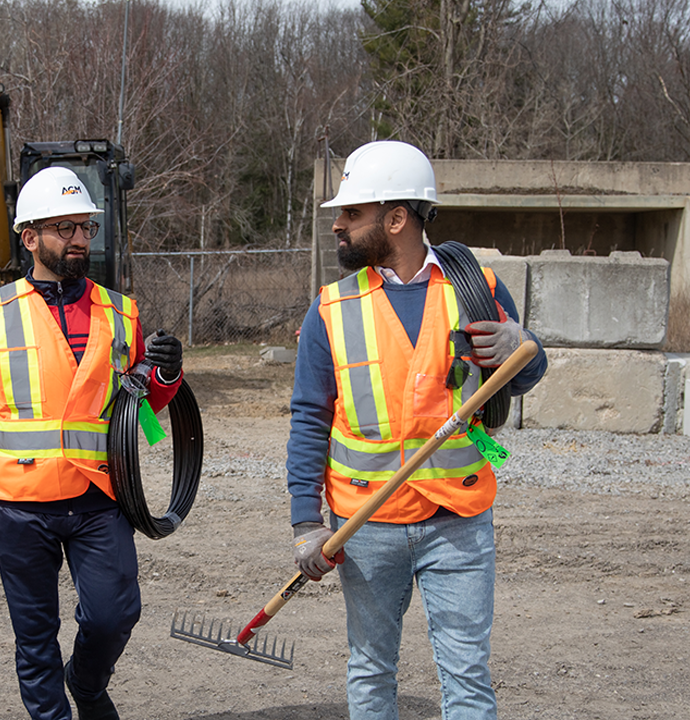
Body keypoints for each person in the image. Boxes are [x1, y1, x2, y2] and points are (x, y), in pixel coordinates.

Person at [286, 140, 548, 720]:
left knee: (466, 676)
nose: (339, 225)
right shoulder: (331, 307)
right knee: (372, 670)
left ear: (397, 218)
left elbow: (523, 377)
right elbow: (309, 418)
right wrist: (307, 523)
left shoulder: (474, 285)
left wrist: (523, 349)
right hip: (366, 524)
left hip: (457, 522)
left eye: (352, 213)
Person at [0, 166, 184, 720]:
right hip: (19, 506)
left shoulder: (120, 313)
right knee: (35, 638)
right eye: (65, 228)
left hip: (98, 499)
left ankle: (86, 685)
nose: (81, 239)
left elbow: (146, 410)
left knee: (115, 615)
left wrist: (165, 376)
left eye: (85, 227)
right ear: (30, 237)